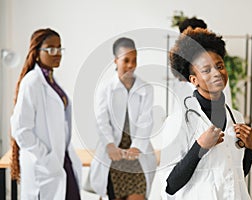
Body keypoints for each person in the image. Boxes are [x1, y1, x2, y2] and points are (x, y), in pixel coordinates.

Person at [161, 27, 252, 199]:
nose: (217, 73)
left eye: (219, 66)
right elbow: (170, 185)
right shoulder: (178, 121)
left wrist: (251, 148)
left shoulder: (236, 117)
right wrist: (199, 147)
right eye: (206, 70)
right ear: (194, 80)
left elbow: (237, 175)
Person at [10, 28, 82, 200]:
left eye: (59, 48)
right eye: (50, 49)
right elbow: (20, 129)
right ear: (36, 53)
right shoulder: (32, 82)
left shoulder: (51, 81)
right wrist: (47, 159)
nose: (56, 53)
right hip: (45, 166)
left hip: (62, 161)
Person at [89, 37, 157, 200]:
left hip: (136, 155)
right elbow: (101, 120)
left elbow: (145, 121)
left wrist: (137, 147)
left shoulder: (146, 89)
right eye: (126, 60)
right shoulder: (105, 88)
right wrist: (110, 145)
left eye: (134, 60)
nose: (131, 65)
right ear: (115, 60)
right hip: (113, 155)